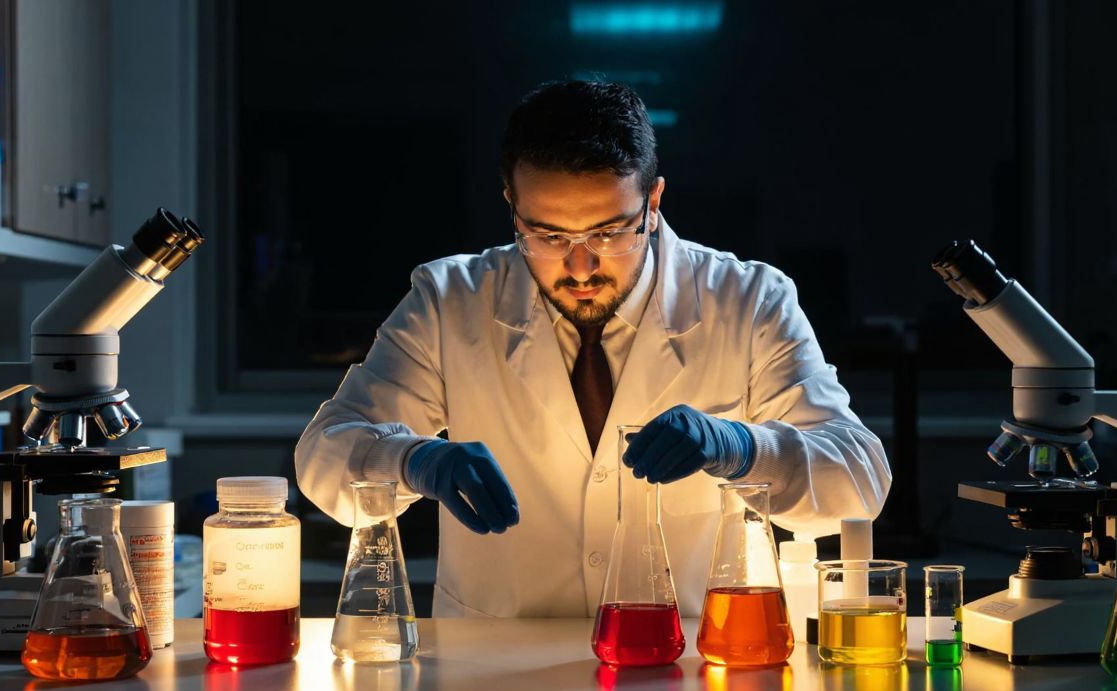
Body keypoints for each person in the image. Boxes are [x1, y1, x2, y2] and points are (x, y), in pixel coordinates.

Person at [296, 80, 890, 618]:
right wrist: (411, 461)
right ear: (512, 206)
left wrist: (740, 447)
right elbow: (324, 458)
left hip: (689, 663)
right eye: (548, 235)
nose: (579, 267)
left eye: (607, 232)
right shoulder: (451, 302)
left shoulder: (747, 299)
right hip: (492, 672)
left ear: (653, 204)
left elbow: (858, 484)